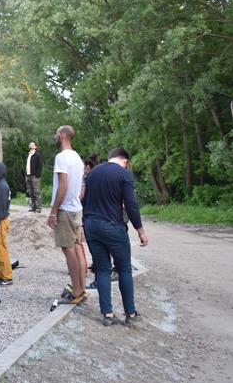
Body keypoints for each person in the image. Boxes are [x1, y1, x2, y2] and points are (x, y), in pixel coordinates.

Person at [83, 147, 149, 326]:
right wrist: (140, 230)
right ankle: (131, 314)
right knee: (124, 269)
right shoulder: (124, 174)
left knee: (102, 269)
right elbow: (131, 204)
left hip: (90, 225)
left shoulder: (93, 172)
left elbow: (84, 199)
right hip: (112, 227)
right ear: (125, 161)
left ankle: (108, 314)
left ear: (110, 157)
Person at [48, 125, 87, 304]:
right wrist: (75, 200)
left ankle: (76, 291)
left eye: (57, 133)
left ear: (63, 135)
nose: (55, 136)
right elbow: (80, 187)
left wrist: (54, 211)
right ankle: (81, 288)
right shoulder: (78, 158)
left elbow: (63, 185)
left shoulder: (61, 157)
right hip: (76, 208)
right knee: (77, 248)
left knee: (68, 249)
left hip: (65, 210)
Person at [25, 141, 43, 212]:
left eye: (32, 144)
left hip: (34, 176)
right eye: (30, 144)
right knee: (30, 192)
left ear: (35, 147)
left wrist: (37, 174)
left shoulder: (37, 155)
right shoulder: (28, 155)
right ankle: (33, 207)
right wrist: (26, 174)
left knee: (36, 192)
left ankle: (39, 207)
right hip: (28, 175)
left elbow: (40, 165)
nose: (30, 144)